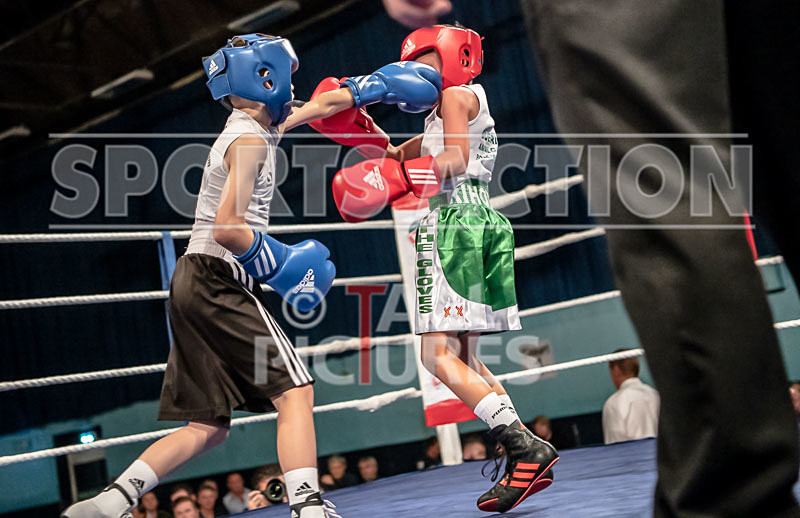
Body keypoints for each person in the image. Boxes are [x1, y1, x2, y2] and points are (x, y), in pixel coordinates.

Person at [60, 31, 438, 518]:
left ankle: (109, 503)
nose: (292, 86)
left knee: (207, 427)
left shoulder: (257, 124)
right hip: (218, 276)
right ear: (268, 76)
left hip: (191, 281)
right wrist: (280, 264)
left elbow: (315, 108)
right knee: (295, 391)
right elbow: (228, 226)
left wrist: (368, 89)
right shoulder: (247, 141)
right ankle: (308, 505)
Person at [325, 25, 557, 513]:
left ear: (451, 57)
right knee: (465, 358)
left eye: (425, 63)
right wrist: (359, 128)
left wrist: (403, 175)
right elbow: (391, 156)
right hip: (481, 222)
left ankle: (524, 446)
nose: (418, 75)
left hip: (454, 225)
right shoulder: (454, 106)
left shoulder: (454, 96)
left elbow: (453, 158)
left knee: (436, 358)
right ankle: (525, 456)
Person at [601, 352, 660, 444]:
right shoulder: (656, 395)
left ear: (616, 370)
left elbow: (614, 446)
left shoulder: (614, 402)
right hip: (663, 456)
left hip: (633, 456)